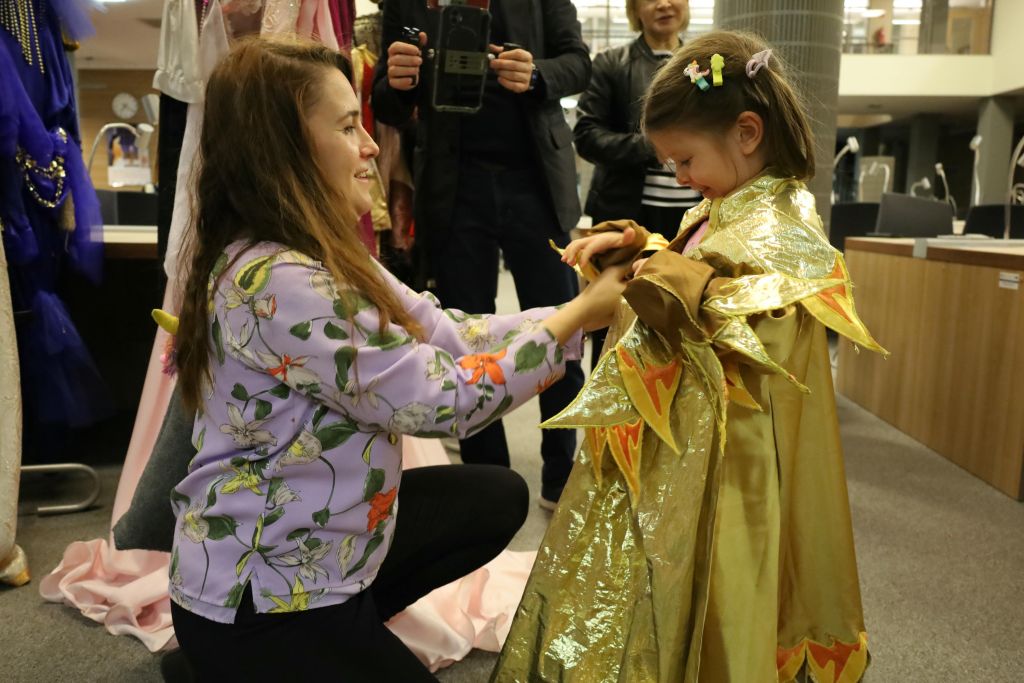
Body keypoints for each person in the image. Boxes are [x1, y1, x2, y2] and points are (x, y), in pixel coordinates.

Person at [168, 37, 627, 681]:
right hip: (265, 595)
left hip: (315, 549)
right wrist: (580, 318)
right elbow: (442, 400)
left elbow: (452, 332)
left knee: (494, 495)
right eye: (349, 124)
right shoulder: (279, 280)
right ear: (285, 147)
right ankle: (248, 658)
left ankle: (302, 650)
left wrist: (575, 305)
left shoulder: (324, 257)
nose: (374, 146)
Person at [493, 31, 886, 682]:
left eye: (684, 160)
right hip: (688, 450)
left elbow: (753, 309)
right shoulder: (725, 202)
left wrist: (661, 276)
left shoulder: (787, 223)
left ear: (748, 133)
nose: (678, 177)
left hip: (733, 469)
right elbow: (701, 265)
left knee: (722, 595)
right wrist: (639, 243)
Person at [371, 0, 591, 508]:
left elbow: (578, 61)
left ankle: (563, 469)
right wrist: (398, 82)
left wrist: (537, 73)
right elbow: (386, 100)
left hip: (534, 181)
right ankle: (487, 482)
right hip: (453, 184)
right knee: (461, 337)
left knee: (563, 326)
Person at [574, 0, 699, 370]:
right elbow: (586, 134)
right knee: (614, 323)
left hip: (692, 216)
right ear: (635, 9)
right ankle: (609, 423)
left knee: (683, 321)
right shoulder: (612, 63)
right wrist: (651, 146)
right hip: (629, 216)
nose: (663, 3)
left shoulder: (703, 62)